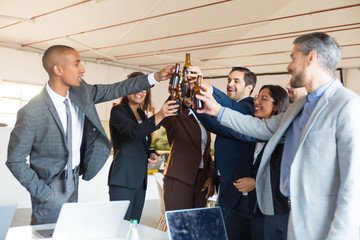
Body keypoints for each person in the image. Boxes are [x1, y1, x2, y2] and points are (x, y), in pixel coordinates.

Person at [196, 32, 360, 239]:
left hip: (324, 224)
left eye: (293, 57)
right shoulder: (299, 106)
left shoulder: (348, 105)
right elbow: (259, 128)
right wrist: (218, 111)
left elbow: (354, 184)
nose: (289, 66)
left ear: (311, 57)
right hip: (288, 215)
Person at [6, 45, 174, 225]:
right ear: (58, 69)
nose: (83, 69)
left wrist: (154, 77)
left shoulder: (81, 93)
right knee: (47, 234)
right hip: (51, 184)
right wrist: (43, 192)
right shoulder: (32, 111)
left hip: (74, 179)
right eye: (77, 64)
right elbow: (15, 160)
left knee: (67, 233)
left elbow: (115, 89)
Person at [107, 71, 177, 222]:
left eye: (144, 89)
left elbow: (140, 141)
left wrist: (151, 152)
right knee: (120, 226)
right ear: (127, 88)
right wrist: (160, 115)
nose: (141, 92)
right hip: (123, 180)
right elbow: (134, 132)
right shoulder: (118, 111)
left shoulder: (142, 114)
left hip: (139, 181)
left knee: (133, 224)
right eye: (137, 87)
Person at [194, 67, 256, 218]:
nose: (230, 84)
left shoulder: (248, 107)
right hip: (224, 181)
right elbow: (216, 126)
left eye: (236, 81)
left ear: (249, 87)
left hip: (236, 184)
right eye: (229, 80)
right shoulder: (232, 108)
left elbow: (233, 108)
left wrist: (210, 88)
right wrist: (195, 106)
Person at [161, 94, 215, 211]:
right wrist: (178, 88)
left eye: (194, 93)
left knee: (197, 225)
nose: (191, 97)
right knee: (180, 225)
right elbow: (166, 115)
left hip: (202, 180)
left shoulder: (203, 118)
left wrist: (210, 177)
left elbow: (206, 153)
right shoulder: (176, 117)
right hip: (179, 178)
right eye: (187, 93)